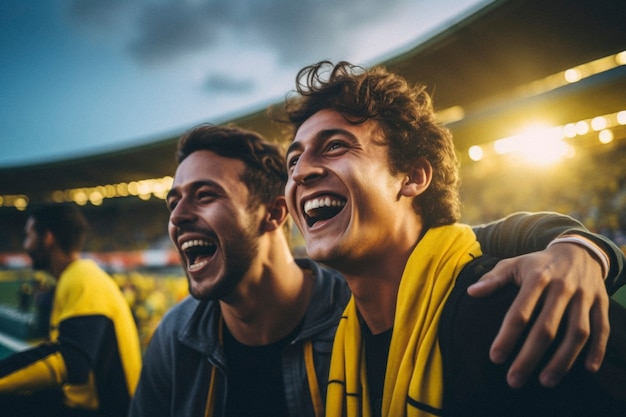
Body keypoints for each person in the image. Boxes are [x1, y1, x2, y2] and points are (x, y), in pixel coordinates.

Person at [129, 124, 625, 417]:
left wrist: (580, 246)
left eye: (205, 195)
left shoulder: (368, 301)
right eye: (173, 201)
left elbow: (460, 241)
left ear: (275, 213)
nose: (177, 216)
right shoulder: (176, 340)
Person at [281, 61, 626, 416]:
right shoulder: (339, 340)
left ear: (412, 177)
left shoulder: (513, 307)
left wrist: (583, 248)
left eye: (336, 145)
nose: (301, 172)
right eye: (292, 162)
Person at [0, 204, 142, 417]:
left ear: (47, 238)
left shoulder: (82, 278)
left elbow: (72, 361)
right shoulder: (76, 276)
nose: (25, 245)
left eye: (28, 236)